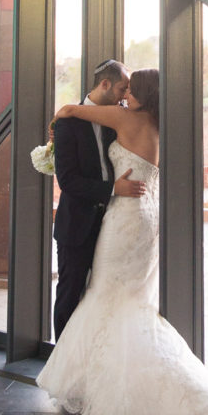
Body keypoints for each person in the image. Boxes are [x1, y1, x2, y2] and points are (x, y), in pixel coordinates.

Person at [37, 68, 208, 415]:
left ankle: (93, 389)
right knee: (131, 303)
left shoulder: (124, 118)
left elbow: (70, 111)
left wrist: (57, 119)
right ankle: (99, 384)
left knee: (108, 297)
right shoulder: (157, 123)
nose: (125, 94)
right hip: (147, 219)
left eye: (130, 89)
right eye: (123, 87)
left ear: (142, 94)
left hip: (125, 218)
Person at [52, 59, 145, 342]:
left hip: (114, 224)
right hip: (77, 225)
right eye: (121, 88)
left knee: (103, 293)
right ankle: (62, 359)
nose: (124, 95)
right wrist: (113, 189)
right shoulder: (67, 122)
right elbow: (68, 181)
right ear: (104, 84)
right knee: (70, 293)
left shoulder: (117, 118)